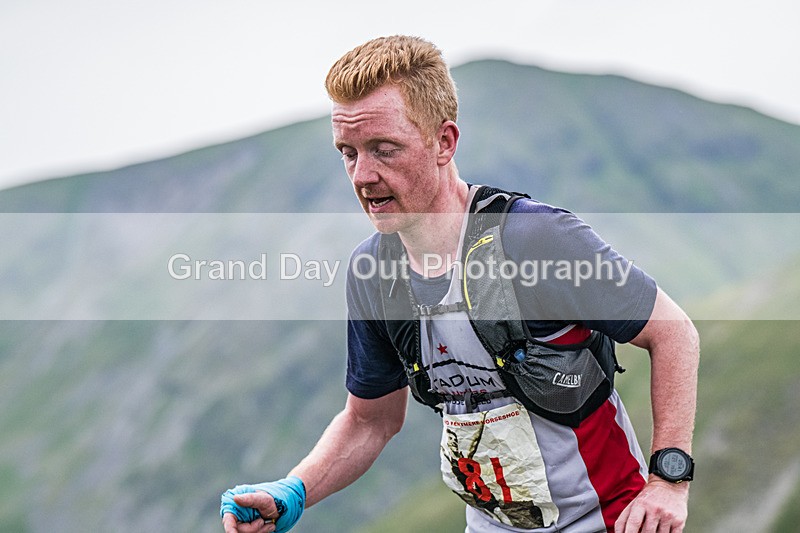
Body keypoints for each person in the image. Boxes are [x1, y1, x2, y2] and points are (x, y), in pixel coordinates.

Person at [221, 35, 699, 533]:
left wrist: (669, 480)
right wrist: (292, 491)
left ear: (444, 143)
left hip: (609, 521)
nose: (363, 175)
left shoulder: (536, 240)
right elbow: (370, 420)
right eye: (348, 153)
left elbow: (673, 333)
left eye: (384, 150)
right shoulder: (373, 275)